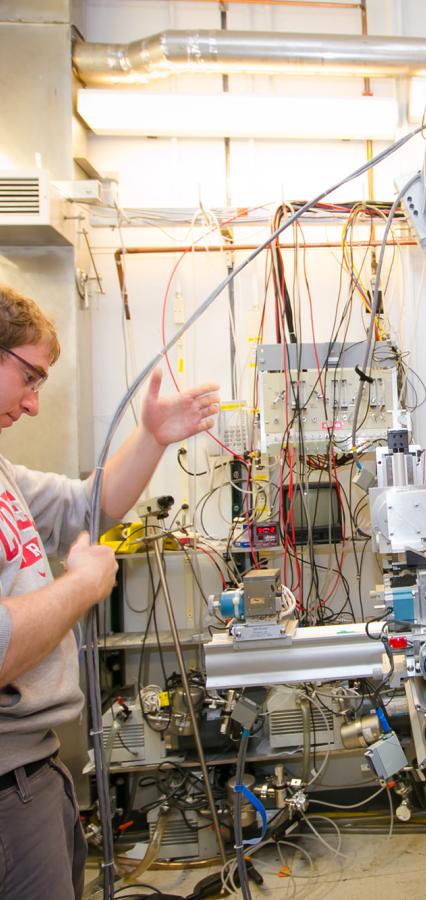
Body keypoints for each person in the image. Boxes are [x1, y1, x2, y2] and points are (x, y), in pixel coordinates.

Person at [0, 284, 219, 899]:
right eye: (31, 377)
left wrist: (153, 436)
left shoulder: (3, 472)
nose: (35, 403)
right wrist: (80, 587)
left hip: (32, 772)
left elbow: (84, 506)